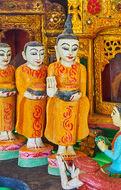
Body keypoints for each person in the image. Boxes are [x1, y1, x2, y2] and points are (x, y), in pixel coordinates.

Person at [45, 14, 89, 156]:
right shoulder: (53, 67)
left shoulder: (81, 68)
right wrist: (53, 92)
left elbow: (83, 89)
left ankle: (70, 146)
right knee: (60, 124)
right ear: (57, 49)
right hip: (59, 101)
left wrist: (78, 95)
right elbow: (51, 88)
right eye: (65, 48)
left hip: (75, 101)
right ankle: (61, 147)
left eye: (74, 48)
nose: (70, 52)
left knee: (72, 124)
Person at [15, 41, 47, 149]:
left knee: (40, 121)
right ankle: (31, 140)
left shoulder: (45, 69)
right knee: (30, 120)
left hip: (41, 100)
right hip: (28, 101)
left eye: (41, 53)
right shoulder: (21, 70)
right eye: (34, 53)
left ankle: (38, 139)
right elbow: (20, 86)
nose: (38, 57)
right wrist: (29, 95)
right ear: (24, 55)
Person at [96, 104, 121, 177]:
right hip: (120, 165)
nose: (111, 115)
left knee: (100, 171)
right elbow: (117, 148)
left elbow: (115, 156)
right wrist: (107, 143)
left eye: (114, 113)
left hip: (118, 169)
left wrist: (104, 148)